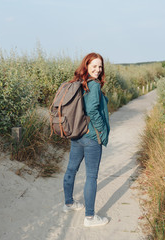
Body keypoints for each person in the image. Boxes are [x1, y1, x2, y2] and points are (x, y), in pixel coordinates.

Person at [62, 52, 110, 227]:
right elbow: (92, 110)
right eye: (94, 66)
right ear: (87, 65)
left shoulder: (78, 83)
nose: (98, 69)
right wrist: (101, 130)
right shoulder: (94, 85)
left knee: (71, 170)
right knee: (91, 176)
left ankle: (68, 203)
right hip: (90, 136)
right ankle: (90, 217)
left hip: (77, 134)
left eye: (100, 66)